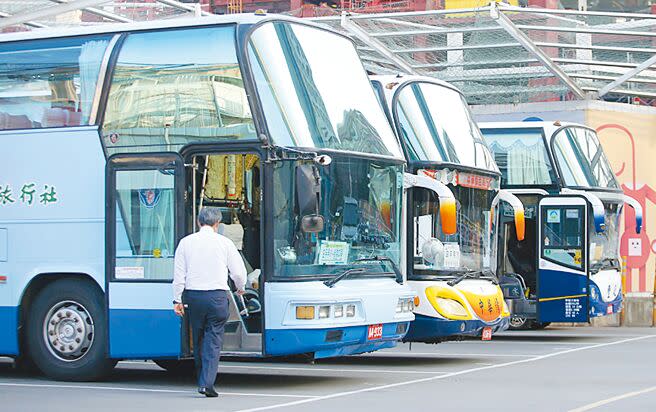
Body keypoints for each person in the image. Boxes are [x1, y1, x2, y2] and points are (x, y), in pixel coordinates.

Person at [172, 207, 247, 398]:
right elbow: (238, 272)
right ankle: (207, 383)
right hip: (217, 297)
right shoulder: (225, 243)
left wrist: (176, 299)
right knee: (213, 340)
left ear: (199, 222)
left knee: (198, 338)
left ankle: (201, 378)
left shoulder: (185, 243)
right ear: (217, 224)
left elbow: (179, 275)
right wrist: (240, 288)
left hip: (193, 297)